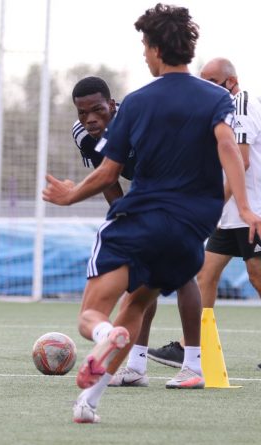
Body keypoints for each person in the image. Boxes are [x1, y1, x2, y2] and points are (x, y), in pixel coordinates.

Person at [43, 3, 261, 423]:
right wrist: (247, 208)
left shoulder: (138, 103)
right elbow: (229, 148)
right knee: (140, 300)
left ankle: (105, 337)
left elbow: (109, 172)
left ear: (158, 49)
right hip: (189, 231)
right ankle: (89, 402)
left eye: (145, 47)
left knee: (93, 315)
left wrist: (69, 196)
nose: (144, 55)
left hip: (140, 220)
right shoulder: (217, 97)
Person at [72, 77, 204, 390]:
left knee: (182, 272)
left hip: (183, 187)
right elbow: (107, 178)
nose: (91, 119)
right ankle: (135, 366)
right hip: (148, 195)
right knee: (141, 274)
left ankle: (194, 366)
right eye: (83, 113)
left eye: (99, 110)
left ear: (113, 106)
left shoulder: (141, 127)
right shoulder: (83, 135)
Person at [148, 57, 261, 370]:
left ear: (230, 81)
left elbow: (242, 161)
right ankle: (189, 348)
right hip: (232, 214)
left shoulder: (240, 103)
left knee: (257, 277)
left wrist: (213, 202)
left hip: (251, 210)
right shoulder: (221, 110)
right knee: (205, 275)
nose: (205, 88)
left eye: (210, 82)